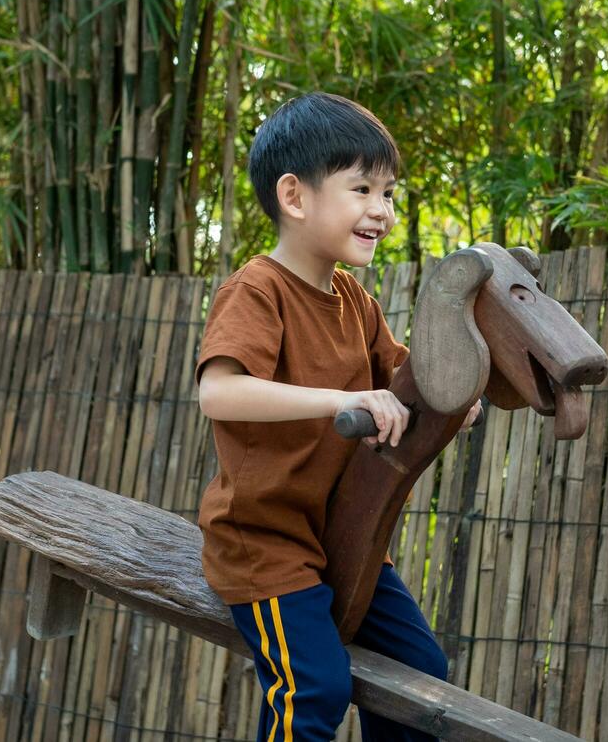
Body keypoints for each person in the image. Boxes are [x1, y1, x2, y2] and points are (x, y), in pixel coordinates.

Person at [195, 92, 481, 741]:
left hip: (341, 541)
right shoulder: (257, 289)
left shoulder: (356, 301)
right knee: (314, 687)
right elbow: (220, 393)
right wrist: (344, 401)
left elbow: (411, 383)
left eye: (389, 193)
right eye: (363, 189)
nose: (382, 211)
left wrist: (453, 402)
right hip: (264, 545)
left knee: (422, 676)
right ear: (295, 197)